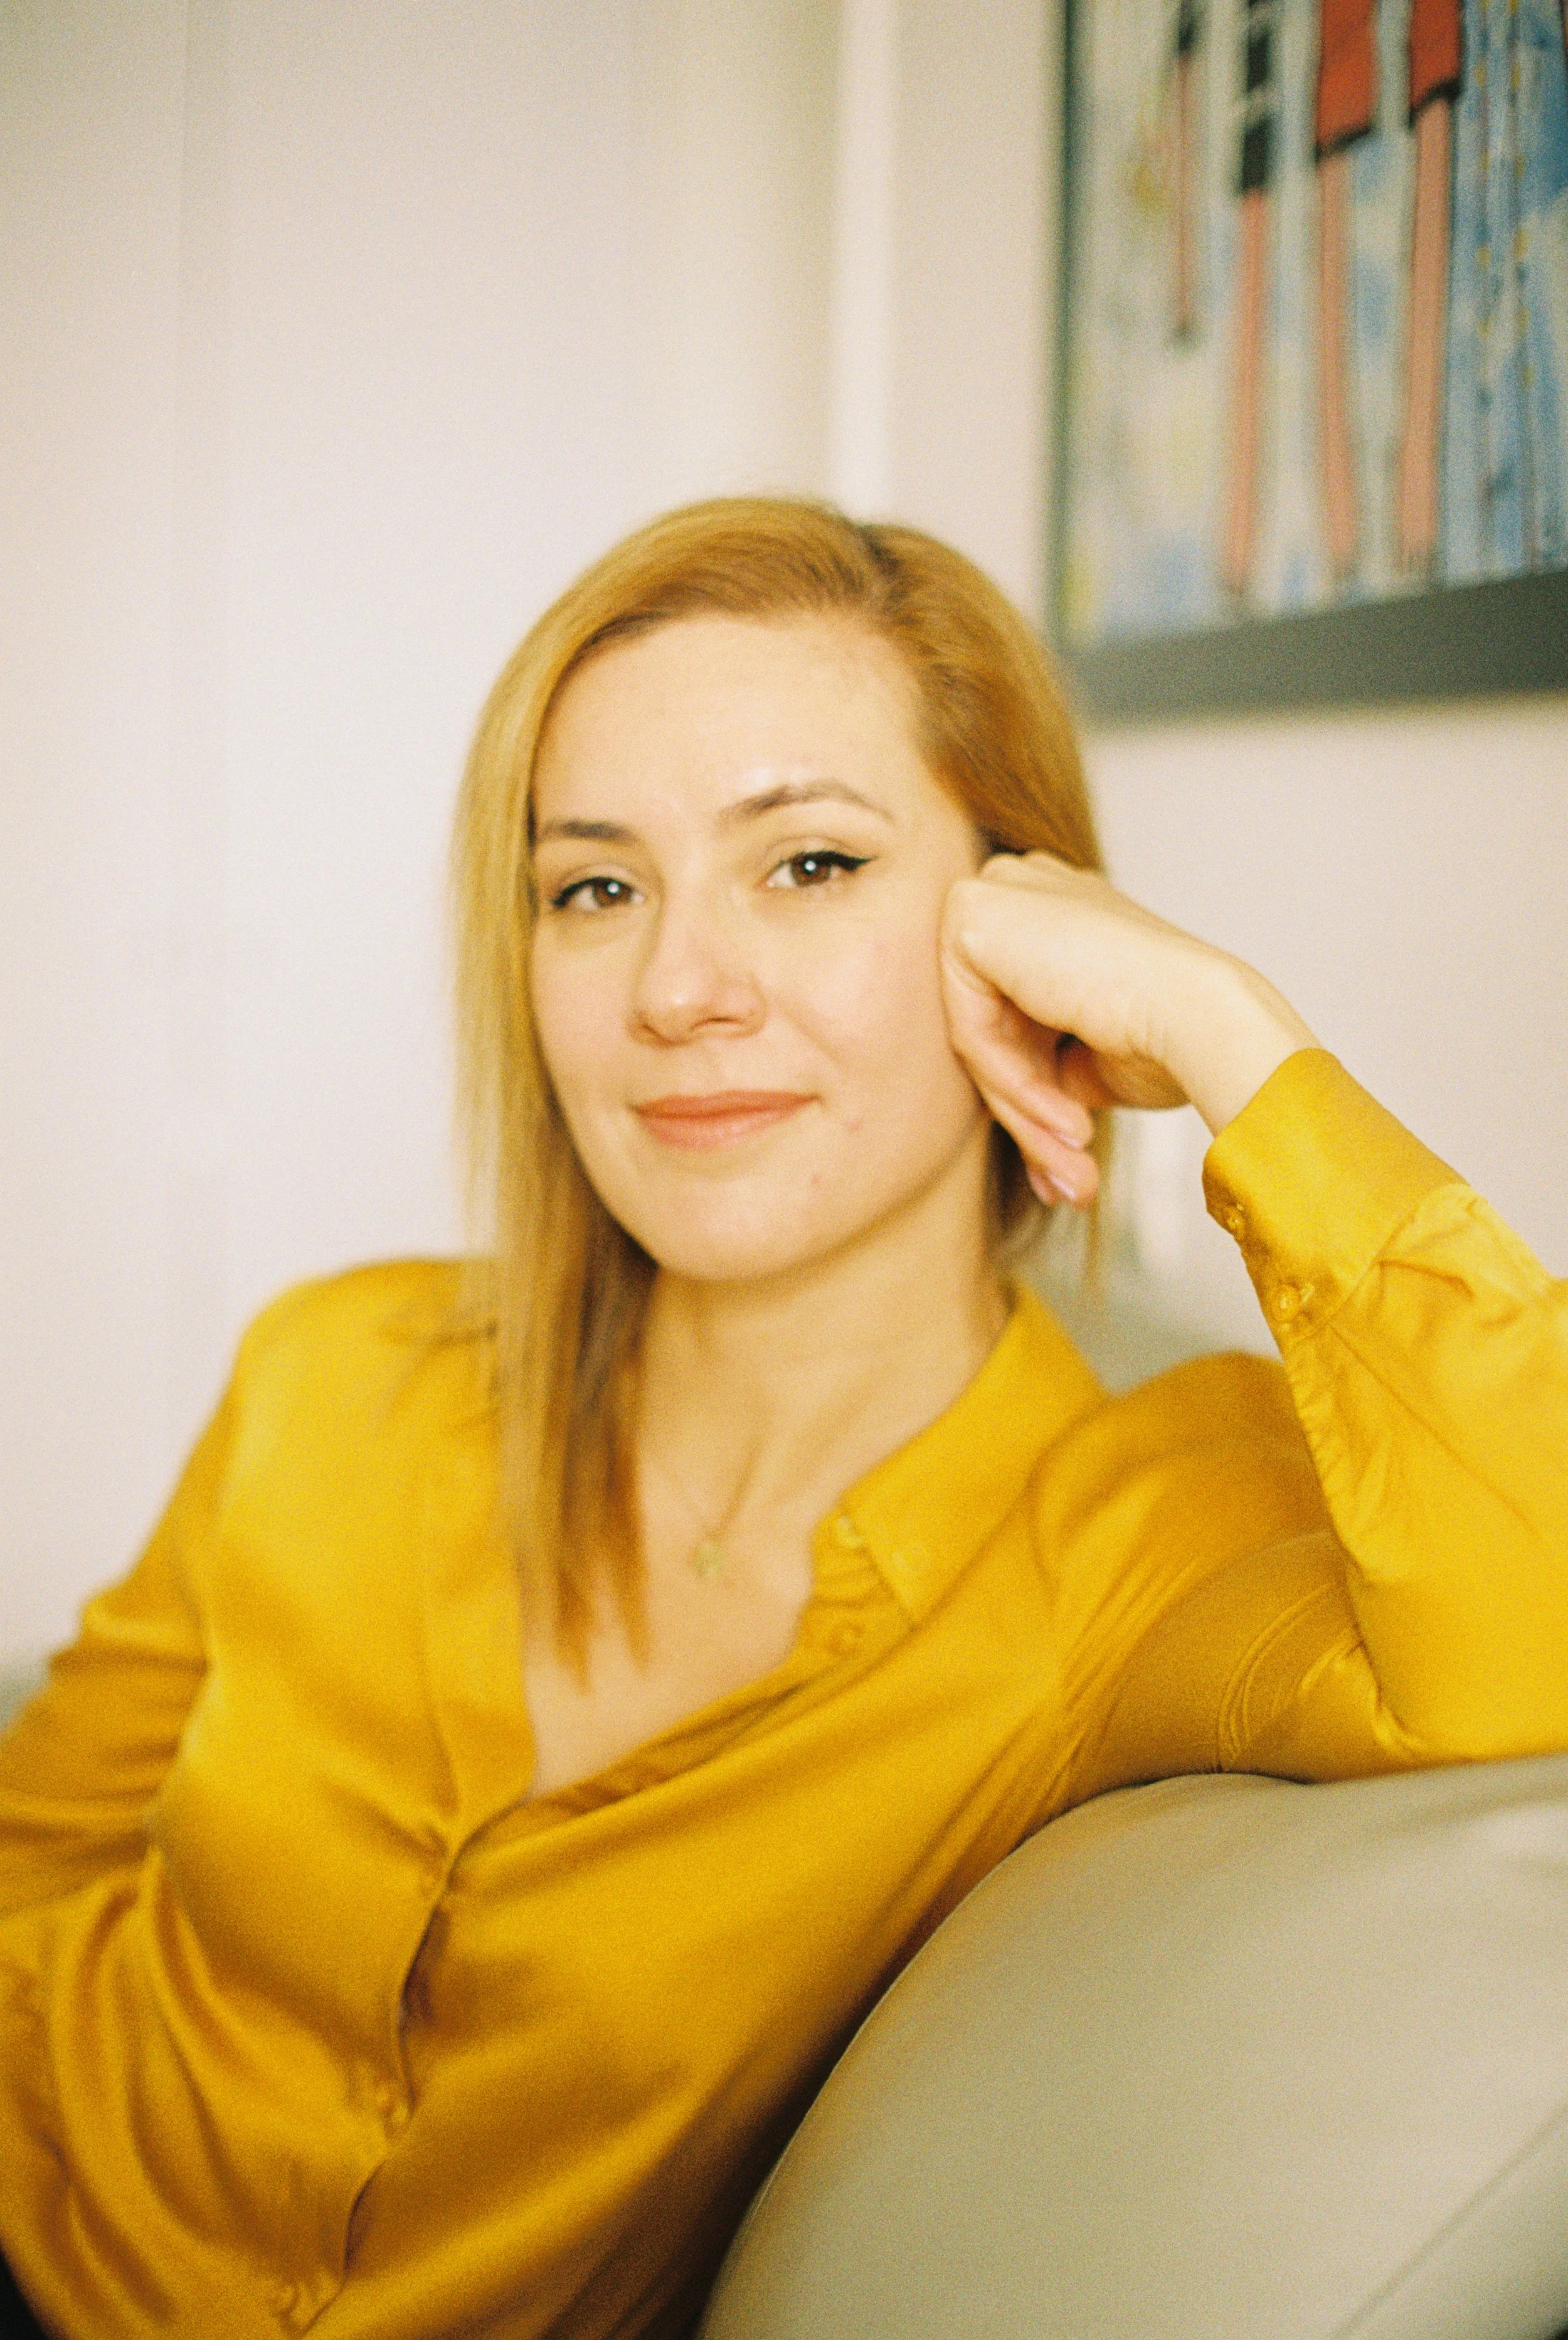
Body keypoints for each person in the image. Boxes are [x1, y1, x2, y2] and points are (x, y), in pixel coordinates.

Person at [1, 497, 1564, 2340]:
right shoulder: (330, 1365)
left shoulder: (1133, 1527)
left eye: (809, 866)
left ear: (1025, 920)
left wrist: (1225, 1038)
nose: (677, 989)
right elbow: (46, 1833)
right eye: (594, 887)